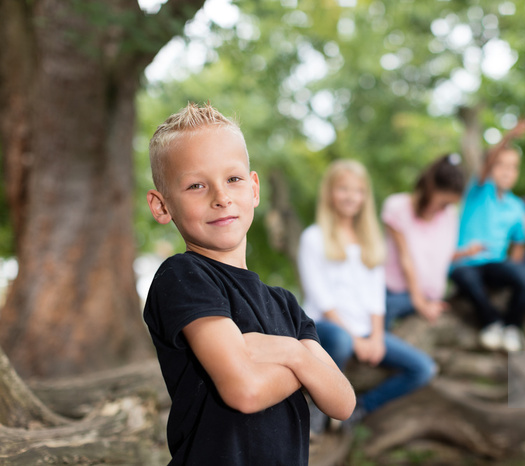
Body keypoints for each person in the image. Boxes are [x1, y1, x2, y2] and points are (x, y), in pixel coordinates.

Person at [142, 103, 355, 465]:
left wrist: (289, 353)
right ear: (162, 206)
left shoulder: (285, 303)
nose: (221, 197)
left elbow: (342, 401)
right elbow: (244, 390)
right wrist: (306, 368)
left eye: (233, 179)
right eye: (196, 185)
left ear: (254, 188)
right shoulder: (182, 276)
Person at [297, 159, 436, 435]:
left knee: (423, 369)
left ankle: (358, 408)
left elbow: (375, 296)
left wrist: (374, 336)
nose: (351, 196)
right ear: (330, 193)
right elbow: (322, 298)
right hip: (325, 327)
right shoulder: (313, 238)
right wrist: (355, 338)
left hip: (363, 330)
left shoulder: (370, 241)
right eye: (343, 189)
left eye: (358, 190)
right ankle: (314, 408)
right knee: (340, 340)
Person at [449, 120, 525, 352]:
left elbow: (519, 243)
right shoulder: (480, 189)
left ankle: (512, 327)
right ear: (491, 167)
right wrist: (509, 137)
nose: (507, 171)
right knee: (466, 277)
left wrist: (513, 271)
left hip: (494, 265)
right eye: (501, 165)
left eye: (513, 166)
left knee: (523, 276)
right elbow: (489, 161)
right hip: (465, 263)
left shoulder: (517, 206)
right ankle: (491, 322)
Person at [382, 153, 466, 327]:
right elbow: (406, 258)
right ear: (430, 188)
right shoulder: (397, 207)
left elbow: (440, 256)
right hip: (396, 293)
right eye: (443, 203)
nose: (444, 209)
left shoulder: (449, 215)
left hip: (430, 295)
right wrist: (420, 302)